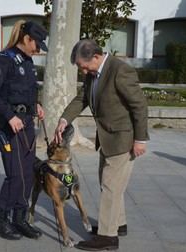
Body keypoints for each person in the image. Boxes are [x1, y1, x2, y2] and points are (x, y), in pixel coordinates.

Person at [54, 39, 149, 251]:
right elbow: (82, 99)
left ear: (95, 56)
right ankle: (117, 225)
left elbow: (139, 106)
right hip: (106, 138)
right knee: (110, 185)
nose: (82, 70)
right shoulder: (92, 75)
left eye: (82, 65)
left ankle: (107, 238)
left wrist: (140, 140)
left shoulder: (120, 70)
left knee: (110, 186)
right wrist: (64, 119)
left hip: (123, 139)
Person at [0, 20, 47, 240]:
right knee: (15, 175)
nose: (38, 49)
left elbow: (28, 91)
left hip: (26, 125)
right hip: (8, 127)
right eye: (37, 44)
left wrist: (35, 106)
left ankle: (19, 218)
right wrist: (9, 116)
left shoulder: (27, 62)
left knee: (28, 174)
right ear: (26, 38)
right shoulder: (5, 60)